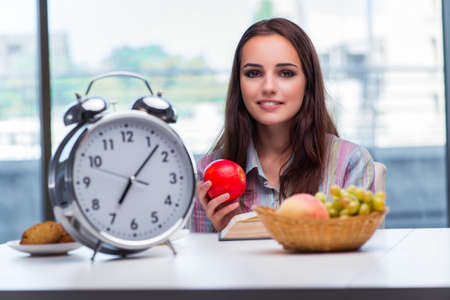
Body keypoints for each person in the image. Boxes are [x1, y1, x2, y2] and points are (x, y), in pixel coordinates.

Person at [189, 18, 375, 233]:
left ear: (308, 83)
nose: (268, 87)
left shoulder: (350, 163)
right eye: (253, 73)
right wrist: (229, 233)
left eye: (286, 73)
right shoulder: (207, 174)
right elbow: (203, 264)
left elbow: (359, 262)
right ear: (239, 85)